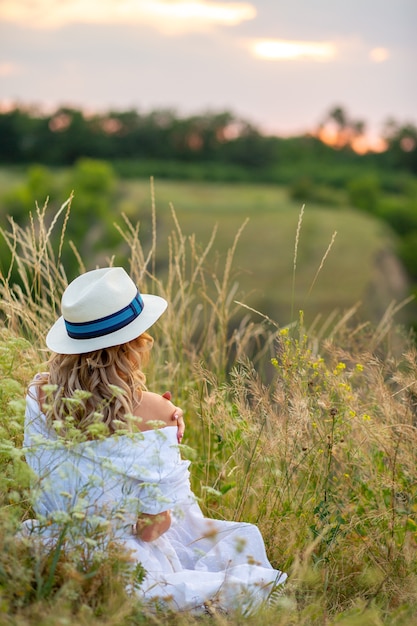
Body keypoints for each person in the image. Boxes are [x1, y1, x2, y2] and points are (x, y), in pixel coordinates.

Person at [23, 267, 286, 614]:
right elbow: (153, 528)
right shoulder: (156, 411)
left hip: (54, 549)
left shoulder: (37, 395)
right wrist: (160, 422)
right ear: (134, 343)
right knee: (238, 553)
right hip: (123, 565)